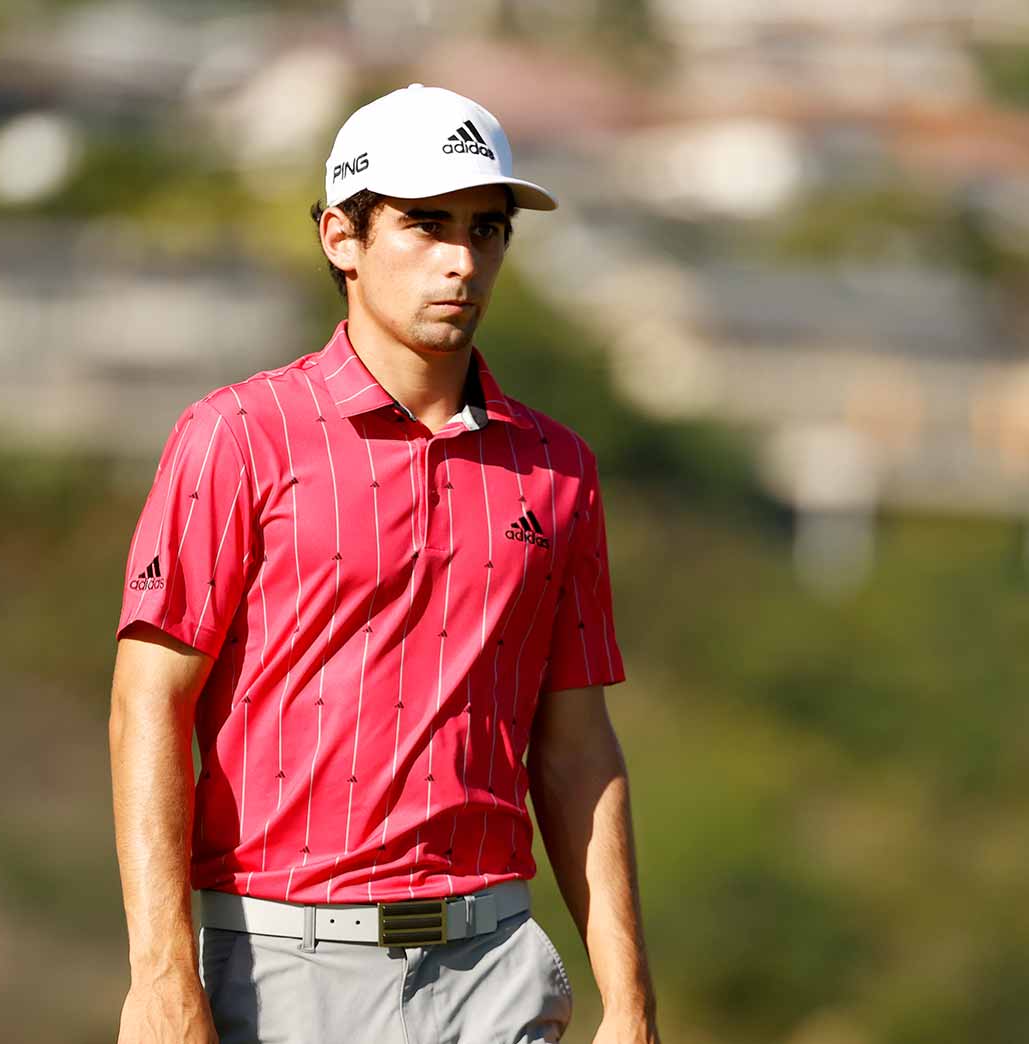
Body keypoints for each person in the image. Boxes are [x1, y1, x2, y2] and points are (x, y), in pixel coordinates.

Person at [107, 84, 660, 1044]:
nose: (462, 261)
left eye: (486, 230)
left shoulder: (559, 468)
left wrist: (630, 1002)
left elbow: (575, 748)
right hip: (281, 972)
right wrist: (162, 980)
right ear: (340, 238)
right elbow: (147, 705)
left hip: (494, 967)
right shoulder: (238, 437)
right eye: (426, 225)